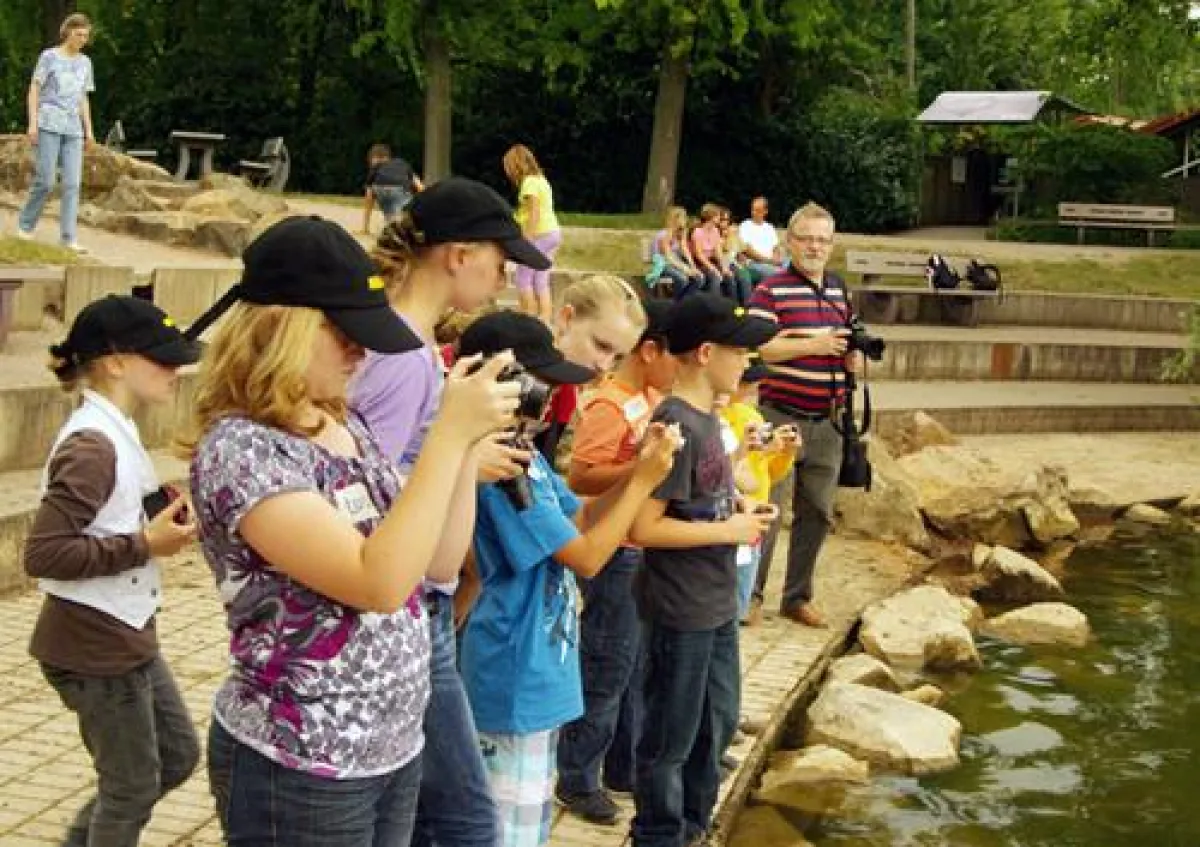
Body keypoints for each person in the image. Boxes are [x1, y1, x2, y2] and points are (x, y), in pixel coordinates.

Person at [183, 215, 521, 847]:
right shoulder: (242, 451)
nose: (360, 350)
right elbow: (380, 581)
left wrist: (465, 451)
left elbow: (438, 566)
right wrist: (447, 435)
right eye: (342, 332)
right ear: (280, 328)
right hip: (301, 764)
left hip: (388, 748)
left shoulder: (343, 422)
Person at [351, 176, 552, 847]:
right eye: (501, 256)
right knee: (466, 821)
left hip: (417, 598)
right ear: (458, 254)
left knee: (430, 817)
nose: (507, 273)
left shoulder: (412, 347)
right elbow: (359, 493)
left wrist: (464, 445)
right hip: (404, 609)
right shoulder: (404, 358)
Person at [457, 310, 681, 847]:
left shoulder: (525, 453)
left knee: (527, 821)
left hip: (538, 668)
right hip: (512, 670)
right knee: (503, 830)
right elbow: (585, 556)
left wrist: (636, 468)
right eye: (544, 385)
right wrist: (642, 485)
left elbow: (577, 514)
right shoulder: (498, 466)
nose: (554, 398)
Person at [23, 294, 202, 847]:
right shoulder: (92, 446)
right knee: (130, 786)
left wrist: (157, 517)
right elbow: (44, 555)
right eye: (161, 358)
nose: (176, 370)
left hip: (124, 630)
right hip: (92, 640)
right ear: (115, 362)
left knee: (175, 755)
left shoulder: (115, 431)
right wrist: (144, 543)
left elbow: (111, 517)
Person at [627, 293, 779, 847]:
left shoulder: (709, 418)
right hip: (680, 608)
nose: (747, 362)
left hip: (714, 603)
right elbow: (645, 528)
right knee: (670, 735)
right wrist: (727, 531)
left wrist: (740, 509)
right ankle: (659, 833)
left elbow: (704, 495)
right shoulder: (674, 423)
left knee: (717, 721)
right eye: (740, 351)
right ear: (706, 352)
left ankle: (694, 822)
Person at [555, 299, 678, 826]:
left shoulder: (648, 397)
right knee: (605, 666)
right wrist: (640, 470)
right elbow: (582, 477)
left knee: (628, 666)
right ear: (651, 354)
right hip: (613, 552)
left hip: (635, 549)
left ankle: (620, 766)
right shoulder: (610, 404)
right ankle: (577, 776)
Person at [748, 201, 865, 628]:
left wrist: (850, 358)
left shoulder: (838, 290)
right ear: (789, 243)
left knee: (817, 511)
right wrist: (812, 346)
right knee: (767, 508)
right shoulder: (770, 290)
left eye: (822, 239)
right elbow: (760, 348)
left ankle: (797, 597)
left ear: (832, 245)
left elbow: (845, 341)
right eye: (806, 238)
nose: (815, 246)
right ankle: (751, 595)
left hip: (827, 418)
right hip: (779, 414)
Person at [716, 355, 800, 626]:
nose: (753, 389)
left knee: (739, 598)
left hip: (753, 521)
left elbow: (768, 474)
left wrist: (783, 452)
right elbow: (735, 476)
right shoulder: (720, 418)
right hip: (730, 518)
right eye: (748, 382)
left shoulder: (750, 415)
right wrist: (744, 452)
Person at [532, 274, 648, 466]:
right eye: (601, 346)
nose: (604, 366)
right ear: (567, 318)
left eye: (617, 357)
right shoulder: (521, 373)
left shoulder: (569, 390)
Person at [16, 13, 96, 253]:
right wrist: (32, 123)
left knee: (73, 183)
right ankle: (25, 225)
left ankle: (68, 237)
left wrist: (88, 131)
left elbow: (83, 98)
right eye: (78, 34)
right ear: (67, 33)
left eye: (85, 35)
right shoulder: (49, 57)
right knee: (46, 180)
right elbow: (34, 89)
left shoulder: (85, 63)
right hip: (48, 123)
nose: (82, 39)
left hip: (73, 129)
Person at [503, 144, 563, 323]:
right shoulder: (541, 180)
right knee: (540, 278)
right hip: (552, 232)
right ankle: (544, 318)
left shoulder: (529, 183)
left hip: (540, 234)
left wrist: (526, 240)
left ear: (516, 165)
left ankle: (527, 316)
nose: (508, 172)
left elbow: (534, 212)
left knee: (523, 277)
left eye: (508, 166)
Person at [362, 143, 425, 234]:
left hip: (381, 191)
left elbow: (369, 195)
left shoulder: (375, 169)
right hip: (401, 191)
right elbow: (420, 186)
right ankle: (406, 225)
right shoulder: (401, 163)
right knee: (407, 216)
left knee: (393, 221)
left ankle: (395, 223)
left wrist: (365, 227)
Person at [645, 206, 703, 299]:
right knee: (682, 279)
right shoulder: (664, 235)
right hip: (663, 265)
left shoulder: (680, 233)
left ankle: (685, 302)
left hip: (675, 264)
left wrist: (692, 266)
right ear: (676, 219)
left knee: (699, 278)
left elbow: (685, 250)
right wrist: (686, 269)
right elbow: (668, 257)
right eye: (683, 217)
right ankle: (677, 305)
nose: (686, 219)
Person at [688, 204, 733, 298]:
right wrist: (713, 268)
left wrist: (724, 267)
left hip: (712, 261)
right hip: (700, 263)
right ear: (711, 217)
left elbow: (718, 252)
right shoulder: (697, 232)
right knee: (715, 278)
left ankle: (732, 307)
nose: (719, 218)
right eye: (718, 215)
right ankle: (714, 307)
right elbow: (699, 255)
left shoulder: (715, 231)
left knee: (729, 276)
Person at [737, 196, 784, 283]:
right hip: (754, 263)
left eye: (757, 210)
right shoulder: (745, 226)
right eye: (753, 209)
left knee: (794, 265)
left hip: (771, 262)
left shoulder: (769, 227)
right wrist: (769, 261)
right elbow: (748, 250)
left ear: (765, 211)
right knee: (779, 273)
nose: (754, 213)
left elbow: (776, 248)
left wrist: (776, 259)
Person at [717, 206, 754, 306]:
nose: (724, 223)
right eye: (722, 220)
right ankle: (735, 311)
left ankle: (747, 310)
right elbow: (722, 253)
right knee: (734, 280)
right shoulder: (716, 233)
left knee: (745, 277)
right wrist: (726, 237)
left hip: (734, 264)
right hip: (722, 263)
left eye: (727, 220)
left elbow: (742, 250)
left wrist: (743, 258)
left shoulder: (733, 232)